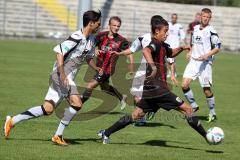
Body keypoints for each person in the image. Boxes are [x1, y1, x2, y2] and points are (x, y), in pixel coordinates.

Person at [98, 16, 208, 144]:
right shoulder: (154, 43)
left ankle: (106, 133)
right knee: (188, 110)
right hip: (157, 88)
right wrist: (153, 66)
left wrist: (182, 48)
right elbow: (146, 50)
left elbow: (171, 53)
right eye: (165, 31)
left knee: (136, 115)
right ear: (157, 31)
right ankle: (208, 136)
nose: (167, 34)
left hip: (152, 89)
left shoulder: (163, 45)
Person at [4, 10, 102, 146]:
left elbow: (89, 57)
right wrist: (62, 74)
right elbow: (59, 52)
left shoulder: (92, 39)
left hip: (65, 76)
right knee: (77, 103)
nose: (100, 25)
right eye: (98, 23)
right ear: (90, 23)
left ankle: (12, 121)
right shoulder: (77, 37)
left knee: (48, 109)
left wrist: (96, 68)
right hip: (61, 75)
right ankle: (58, 135)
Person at [115, 15, 178, 126]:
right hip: (141, 72)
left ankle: (147, 113)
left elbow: (170, 59)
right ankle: (144, 114)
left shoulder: (162, 42)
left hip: (155, 74)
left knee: (152, 97)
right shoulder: (143, 38)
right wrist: (119, 53)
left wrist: (172, 74)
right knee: (136, 96)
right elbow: (132, 49)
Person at [80, 16, 132, 111]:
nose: (116, 27)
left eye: (118, 26)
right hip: (98, 66)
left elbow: (130, 52)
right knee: (105, 88)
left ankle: (77, 104)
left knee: (90, 85)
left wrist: (131, 65)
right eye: (114, 25)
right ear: (109, 25)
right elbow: (93, 44)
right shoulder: (101, 36)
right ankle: (121, 97)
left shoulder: (121, 40)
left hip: (108, 69)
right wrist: (95, 49)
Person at [181, 8, 221, 122]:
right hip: (194, 61)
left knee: (206, 90)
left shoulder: (211, 31)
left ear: (210, 18)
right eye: (204, 16)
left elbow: (218, 47)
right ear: (200, 16)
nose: (205, 19)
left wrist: (207, 55)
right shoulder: (195, 28)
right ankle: (193, 105)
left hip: (205, 63)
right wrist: (190, 52)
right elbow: (194, 43)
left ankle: (212, 113)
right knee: (184, 85)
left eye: (208, 17)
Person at [165, 13, 186, 79]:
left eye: (175, 18)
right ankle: (170, 72)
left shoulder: (179, 26)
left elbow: (183, 35)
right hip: (167, 43)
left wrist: (183, 42)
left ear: (176, 19)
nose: (174, 19)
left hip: (175, 45)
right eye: (173, 17)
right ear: (171, 18)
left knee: (171, 59)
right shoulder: (168, 24)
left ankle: (173, 73)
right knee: (167, 59)